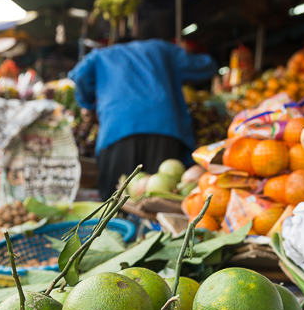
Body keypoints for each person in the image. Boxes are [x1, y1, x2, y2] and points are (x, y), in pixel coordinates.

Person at [69, 38, 217, 200]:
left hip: (117, 129)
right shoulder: (162, 49)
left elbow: (80, 75)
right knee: (163, 199)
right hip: (164, 127)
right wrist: (185, 50)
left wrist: (87, 102)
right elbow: (206, 66)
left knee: (114, 204)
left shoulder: (101, 55)